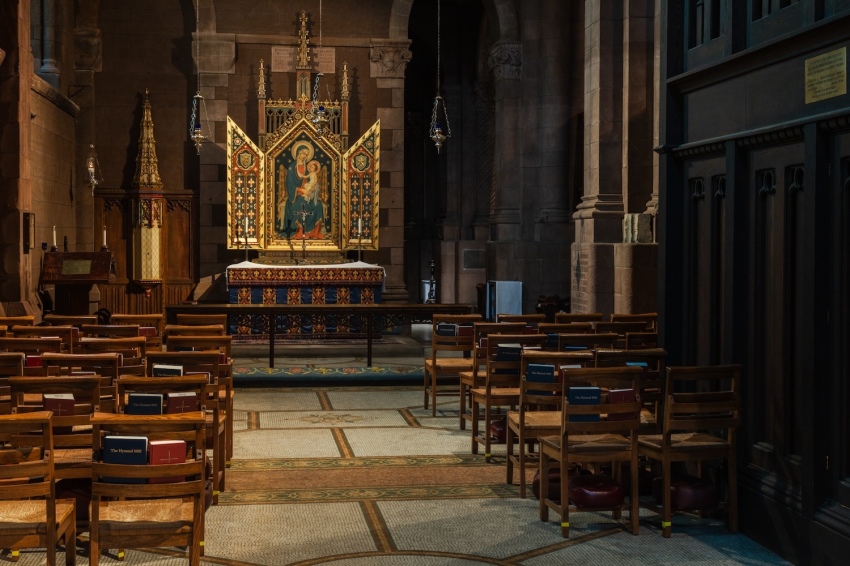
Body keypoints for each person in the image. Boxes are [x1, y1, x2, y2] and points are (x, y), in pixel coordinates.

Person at [281, 142, 325, 239]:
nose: (305, 156)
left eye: (306, 154)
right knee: (301, 205)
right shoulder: (292, 168)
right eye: (303, 153)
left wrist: (312, 189)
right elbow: (289, 185)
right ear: (298, 153)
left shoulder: (308, 168)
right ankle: (299, 233)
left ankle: (315, 233)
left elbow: (312, 181)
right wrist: (301, 190)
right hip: (296, 196)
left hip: (307, 195)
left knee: (318, 205)